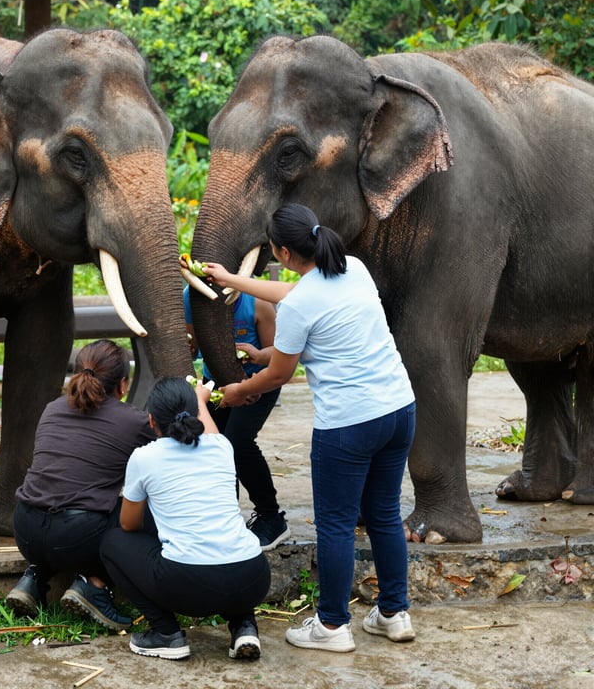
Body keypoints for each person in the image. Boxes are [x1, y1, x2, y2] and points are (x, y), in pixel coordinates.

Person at [202, 203, 416, 653]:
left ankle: (333, 625)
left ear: (281, 251)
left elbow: (280, 373)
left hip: (348, 424)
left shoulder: (300, 304)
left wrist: (238, 391)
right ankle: (394, 613)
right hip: (398, 409)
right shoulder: (354, 268)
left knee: (336, 525)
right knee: (383, 514)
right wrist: (230, 279)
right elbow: (297, 299)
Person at [99, 377, 271, 661]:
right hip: (253, 577)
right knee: (225, 542)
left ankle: (165, 633)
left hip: (190, 588)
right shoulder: (222, 447)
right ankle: (244, 625)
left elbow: (129, 524)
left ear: (151, 420)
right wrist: (200, 399)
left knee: (112, 542)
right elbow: (211, 433)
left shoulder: (144, 457)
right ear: (195, 413)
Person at [5, 339, 154, 630]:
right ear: (123, 385)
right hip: (76, 537)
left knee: (63, 503)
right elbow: (168, 459)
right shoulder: (133, 421)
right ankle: (93, 585)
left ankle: (33, 578)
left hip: (24, 529)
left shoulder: (52, 409)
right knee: (142, 514)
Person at [183, 285, 290, 550]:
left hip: (258, 381)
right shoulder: (190, 296)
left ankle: (271, 517)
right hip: (216, 381)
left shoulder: (258, 301)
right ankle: (225, 515)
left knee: (237, 444)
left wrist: (254, 360)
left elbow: (277, 355)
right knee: (213, 445)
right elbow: (194, 348)